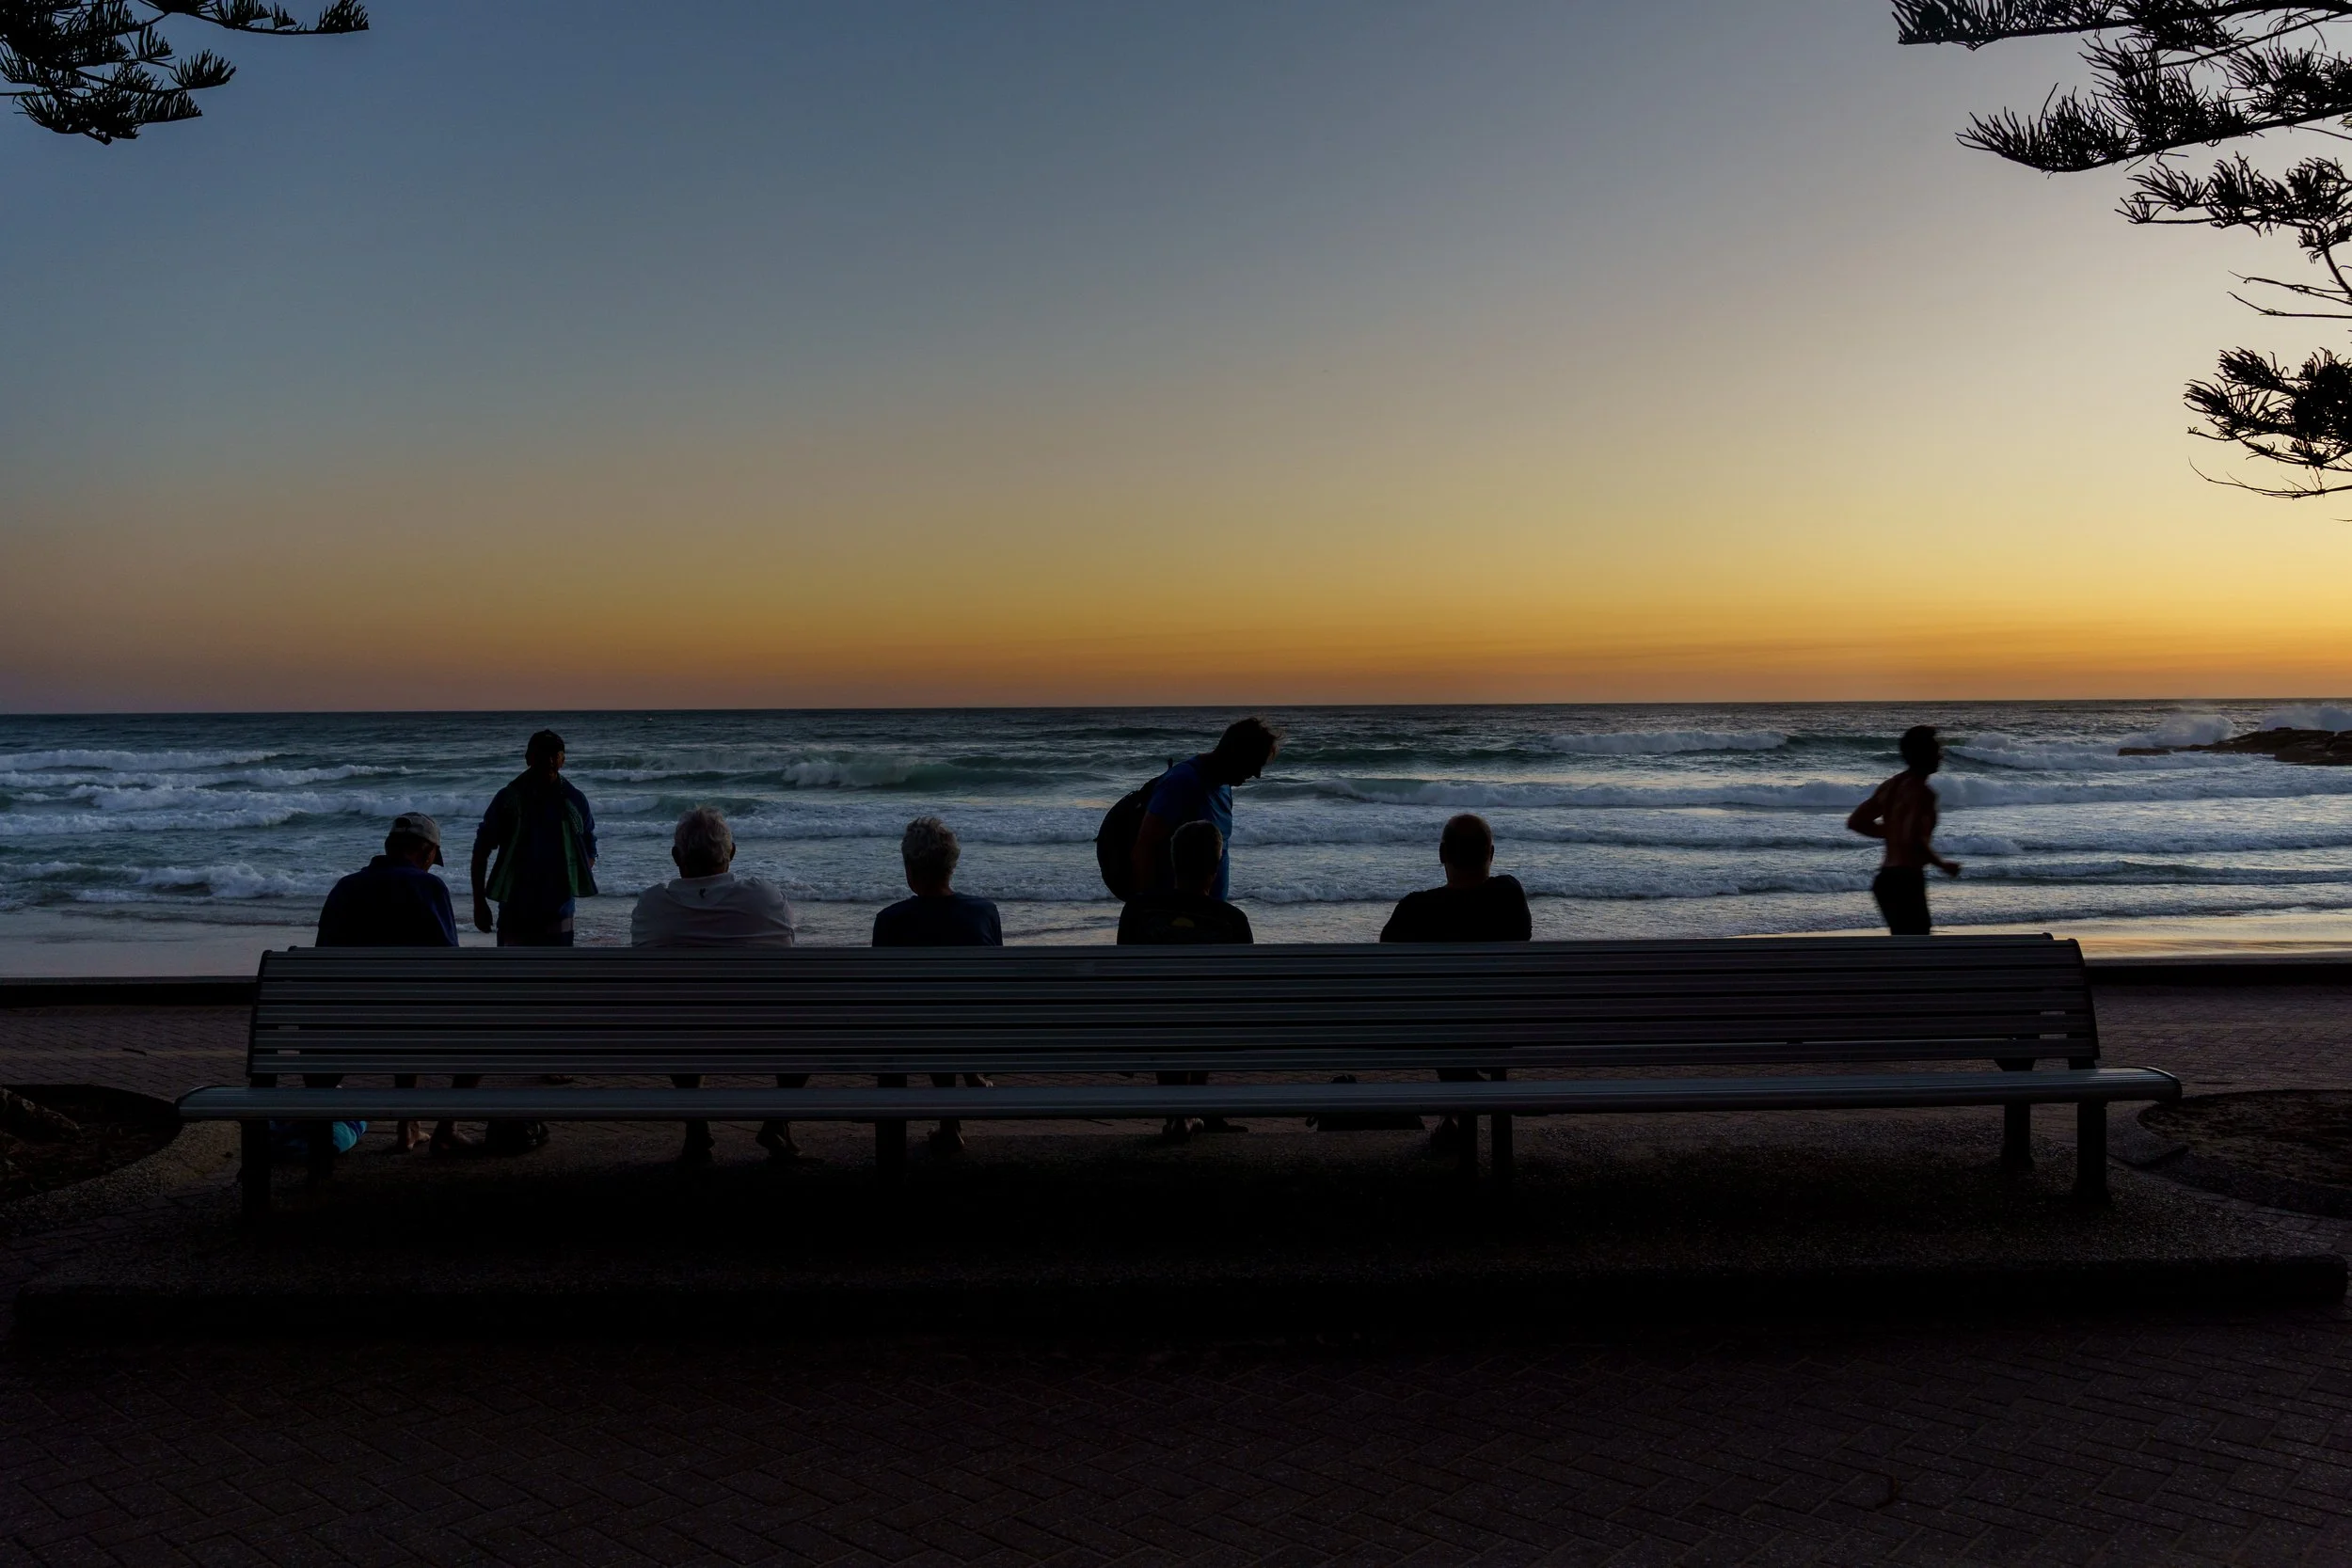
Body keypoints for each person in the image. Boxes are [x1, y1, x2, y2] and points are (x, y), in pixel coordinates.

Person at [631, 807, 804, 1164]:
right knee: (804, 1020)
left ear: (677, 856)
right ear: (732, 852)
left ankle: (696, 1128)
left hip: (679, 1035)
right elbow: (788, 945)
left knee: (676, 1014)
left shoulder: (651, 906)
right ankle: (778, 1120)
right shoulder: (766, 898)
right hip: (762, 1036)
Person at [1379, 814, 1531, 1153]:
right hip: (1501, 1032)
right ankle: (1462, 1106)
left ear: (1441, 854)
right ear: (1491, 853)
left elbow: (1386, 970)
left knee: (1435, 1007)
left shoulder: (1415, 909)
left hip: (1440, 1035)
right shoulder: (1510, 894)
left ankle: (1458, 1100)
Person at [312, 810, 458, 1153]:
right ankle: (438, 1128)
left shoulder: (345, 887)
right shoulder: (429, 886)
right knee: (423, 1013)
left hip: (342, 1031)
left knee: (397, 1009)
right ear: (426, 852)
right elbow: (451, 964)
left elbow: (322, 959)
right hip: (412, 1025)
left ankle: (397, 1126)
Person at [872, 816, 998, 1153]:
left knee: (924, 1015)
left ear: (909, 870)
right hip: (978, 1033)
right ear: (951, 866)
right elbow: (995, 984)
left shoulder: (890, 921)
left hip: (913, 1036)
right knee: (954, 1011)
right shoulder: (985, 912)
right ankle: (959, 1102)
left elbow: (881, 995)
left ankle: (949, 1125)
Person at [1119, 820, 1251, 1140]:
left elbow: (1127, 981)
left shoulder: (1137, 913)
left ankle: (1179, 1112)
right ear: (1217, 866)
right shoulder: (1232, 921)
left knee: (1164, 1007)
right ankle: (1189, 1108)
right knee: (1204, 1010)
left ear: (1172, 860)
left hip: (1149, 1029)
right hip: (1213, 1031)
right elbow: (1242, 994)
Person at [1130, 717, 1281, 901]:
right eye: (1255, 763)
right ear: (1236, 752)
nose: (1257, 775)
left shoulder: (1225, 788)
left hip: (1208, 918)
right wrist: (1150, 910)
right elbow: (1145, 847)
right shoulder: (1183, 781)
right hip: (1176, 917)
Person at [470, 728, 597, 946]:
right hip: (514, 910)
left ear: (562, 760)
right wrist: (479, 903)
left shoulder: (575, 800)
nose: (548, 759)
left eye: (554, 754)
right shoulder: (508, 800)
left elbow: (589, 849)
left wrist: (571, 878)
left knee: (557, 978)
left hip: (560, 912)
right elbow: (481, 850)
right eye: (541, 753)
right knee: (513, 977)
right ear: (528, 758)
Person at [1847, 724, 1963, 936]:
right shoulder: (1922, 793)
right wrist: (1942, 864)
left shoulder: (1890, 786)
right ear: (1924, 754)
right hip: (1906, 880)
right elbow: (1914, 839)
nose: (1941, 756)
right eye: (1936, 750)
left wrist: (1892, 831)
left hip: (1885, 880)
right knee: (1918, 947)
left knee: (1903, 946)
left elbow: (1856, 821)